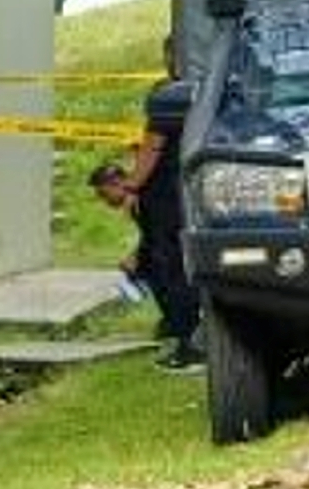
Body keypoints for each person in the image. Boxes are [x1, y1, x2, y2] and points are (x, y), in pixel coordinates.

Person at [123, 36, 204, 372]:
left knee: (169, 265)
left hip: (166, 195)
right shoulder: (209, 90)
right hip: (194, 188)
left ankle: (187, 340)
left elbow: (153, 147)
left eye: (169, 54)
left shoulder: (169, 97)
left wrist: (132, 185)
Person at [87, 162, 173, 339]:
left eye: (103, 193)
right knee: (141, 268)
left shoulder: (143, 199)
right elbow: (151, 235)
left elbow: (160, 236)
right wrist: (136, 256)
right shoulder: (136, 202)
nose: (103, 200)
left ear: (117, 183)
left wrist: (137, 257)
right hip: (165, 245)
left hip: (174, 249)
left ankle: (179, 323)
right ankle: (171, 320)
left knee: (152, 267)